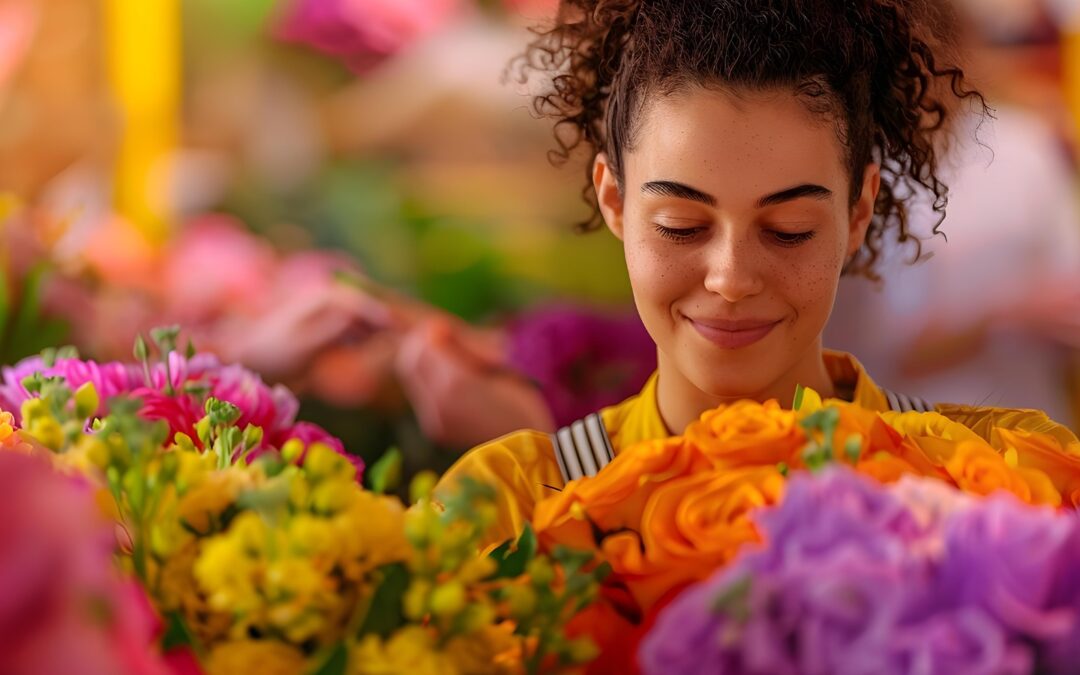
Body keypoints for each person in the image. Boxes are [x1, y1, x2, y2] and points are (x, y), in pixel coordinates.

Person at [432, 0, 1080, 546]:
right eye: (681, 225)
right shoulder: (508, 506)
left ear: (858, 211)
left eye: (788, 229)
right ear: (615, 201)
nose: (732, 278)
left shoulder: (1010, 476)